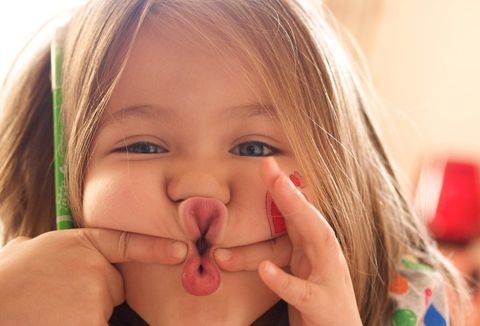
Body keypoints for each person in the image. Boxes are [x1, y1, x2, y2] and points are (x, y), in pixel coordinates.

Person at [0, 0, 469, 325]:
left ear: (338, 181)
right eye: (142, 146)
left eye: (254, 148)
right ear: (63, 179)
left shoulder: (407, 307)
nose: (202, 189)